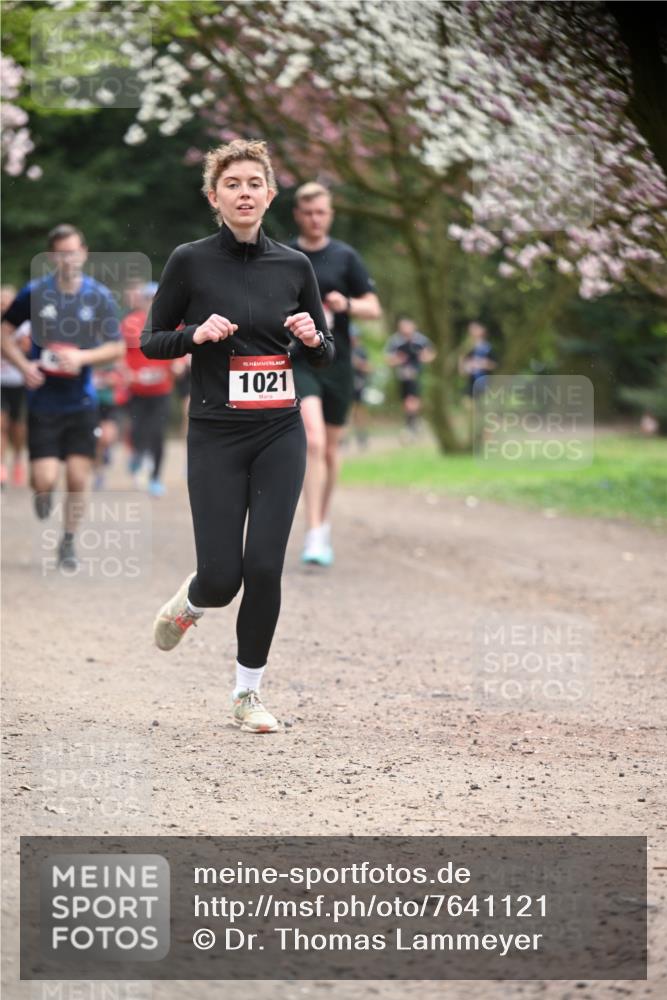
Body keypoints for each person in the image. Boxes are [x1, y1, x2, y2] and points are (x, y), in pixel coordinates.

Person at [143, 139, 334, 734]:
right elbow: (152, 341)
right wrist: (195, 334)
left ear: (270, 195)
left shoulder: (295, 266)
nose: (244, 192)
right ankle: (194, 601)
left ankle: (247, 693)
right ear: (214, 197)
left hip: (280, 429)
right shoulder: (189, 261)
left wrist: (310, 339)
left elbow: (327, 355)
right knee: (223, 578)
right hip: (215, 434)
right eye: (232, 184)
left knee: (266, 567)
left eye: (255, 183)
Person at [0, 224, 124, 569]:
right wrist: (25, 366)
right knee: (44, 479)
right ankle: (41, 493)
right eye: (61, 253)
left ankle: (68, 542)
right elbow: (4, 333)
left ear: (84, 252)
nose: (68, 258)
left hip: (82, 401)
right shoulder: (35, 293)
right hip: (43, 402)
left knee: (78, 478)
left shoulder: (98, 296)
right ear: (52, 256)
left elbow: (116, 347)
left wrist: (82, 357)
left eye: (74, 251)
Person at [289, 182, 381, 566]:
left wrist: (347, 305)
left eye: (321, 212)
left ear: (330, 214)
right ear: (297, 214)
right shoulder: (285, 256)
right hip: (298, 361)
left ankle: (323, 524)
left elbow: (374, 308)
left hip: (338, 363)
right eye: (308, 212)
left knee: (329, 447)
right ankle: (312, 532)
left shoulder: (346, 257)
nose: (315, 219)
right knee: (310, 441)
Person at [122, 281, 176, 497]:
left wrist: (180, 363)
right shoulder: (129, 323)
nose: (152, 302)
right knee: (137, 431)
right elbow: (119, 352)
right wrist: (126, 373)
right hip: (137, 390)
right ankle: (136, 453)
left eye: (156, 297)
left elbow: (179, 349)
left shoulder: (169, 323)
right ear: (142, 300)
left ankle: (155, 478)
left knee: (157, 433)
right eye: (148, 298)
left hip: (162, 389)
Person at [385, 314, 436, 437]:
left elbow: (431, 353)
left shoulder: (421, 340)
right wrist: (397, 360)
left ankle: (411, 424)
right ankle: (413, 422)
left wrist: (424, 357)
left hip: (416, 374)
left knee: (412, 399)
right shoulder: (395, 341)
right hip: (402, 375)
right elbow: (388, 358)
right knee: (408, 401)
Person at [0, 285, 28, 489]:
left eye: (7, 303)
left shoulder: (25, 325)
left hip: (19, 381)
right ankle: (1, 468)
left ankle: (18, 456)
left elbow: (28, 349)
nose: (3, 306)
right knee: (0, 424)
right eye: (1, 303)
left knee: (16, 426)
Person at [458, 320, 497, 398]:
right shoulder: (468, 349)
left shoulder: (488, 348)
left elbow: (495, 364)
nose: (472, 332)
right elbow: (462, 370)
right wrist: (466, 366)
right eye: (471, 329)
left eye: (475, 328)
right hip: (471, 384)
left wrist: (482, 364)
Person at [349, 326, 372, 449]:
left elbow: (369, 368)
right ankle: (343, 439)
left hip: (359, 386)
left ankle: (362, 436)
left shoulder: (361, 351)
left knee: (359, 412)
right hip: (346, 385)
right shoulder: (343, 350)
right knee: (348, 412)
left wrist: (358, 363)